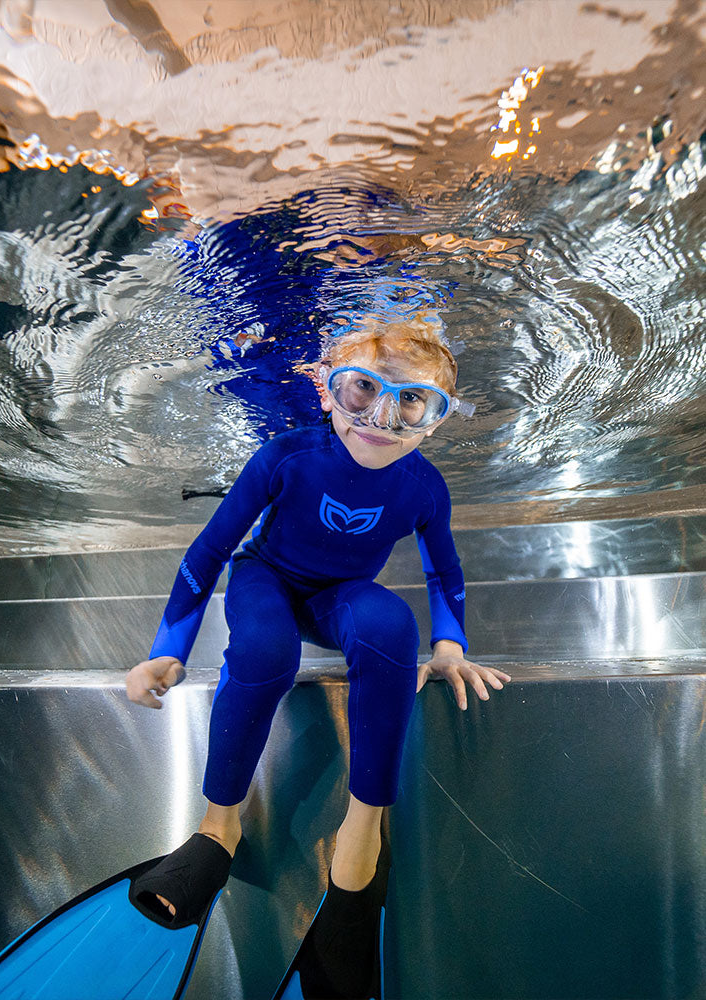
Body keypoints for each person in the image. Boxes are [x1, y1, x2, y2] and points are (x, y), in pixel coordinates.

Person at [125, 314, 511, 999]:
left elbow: (441, 573)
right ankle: (218, 831)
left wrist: (450, 647)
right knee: (268, 646)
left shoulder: (424, 488)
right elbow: (211, 551)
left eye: (412, 401)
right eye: (361, 390)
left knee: (391, 624)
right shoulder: (286, 458)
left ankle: (359, 848)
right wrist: (169, 650)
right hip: (266, 580)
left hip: (343, 597)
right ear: (326, 391)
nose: (382, 419)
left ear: (437, 419)